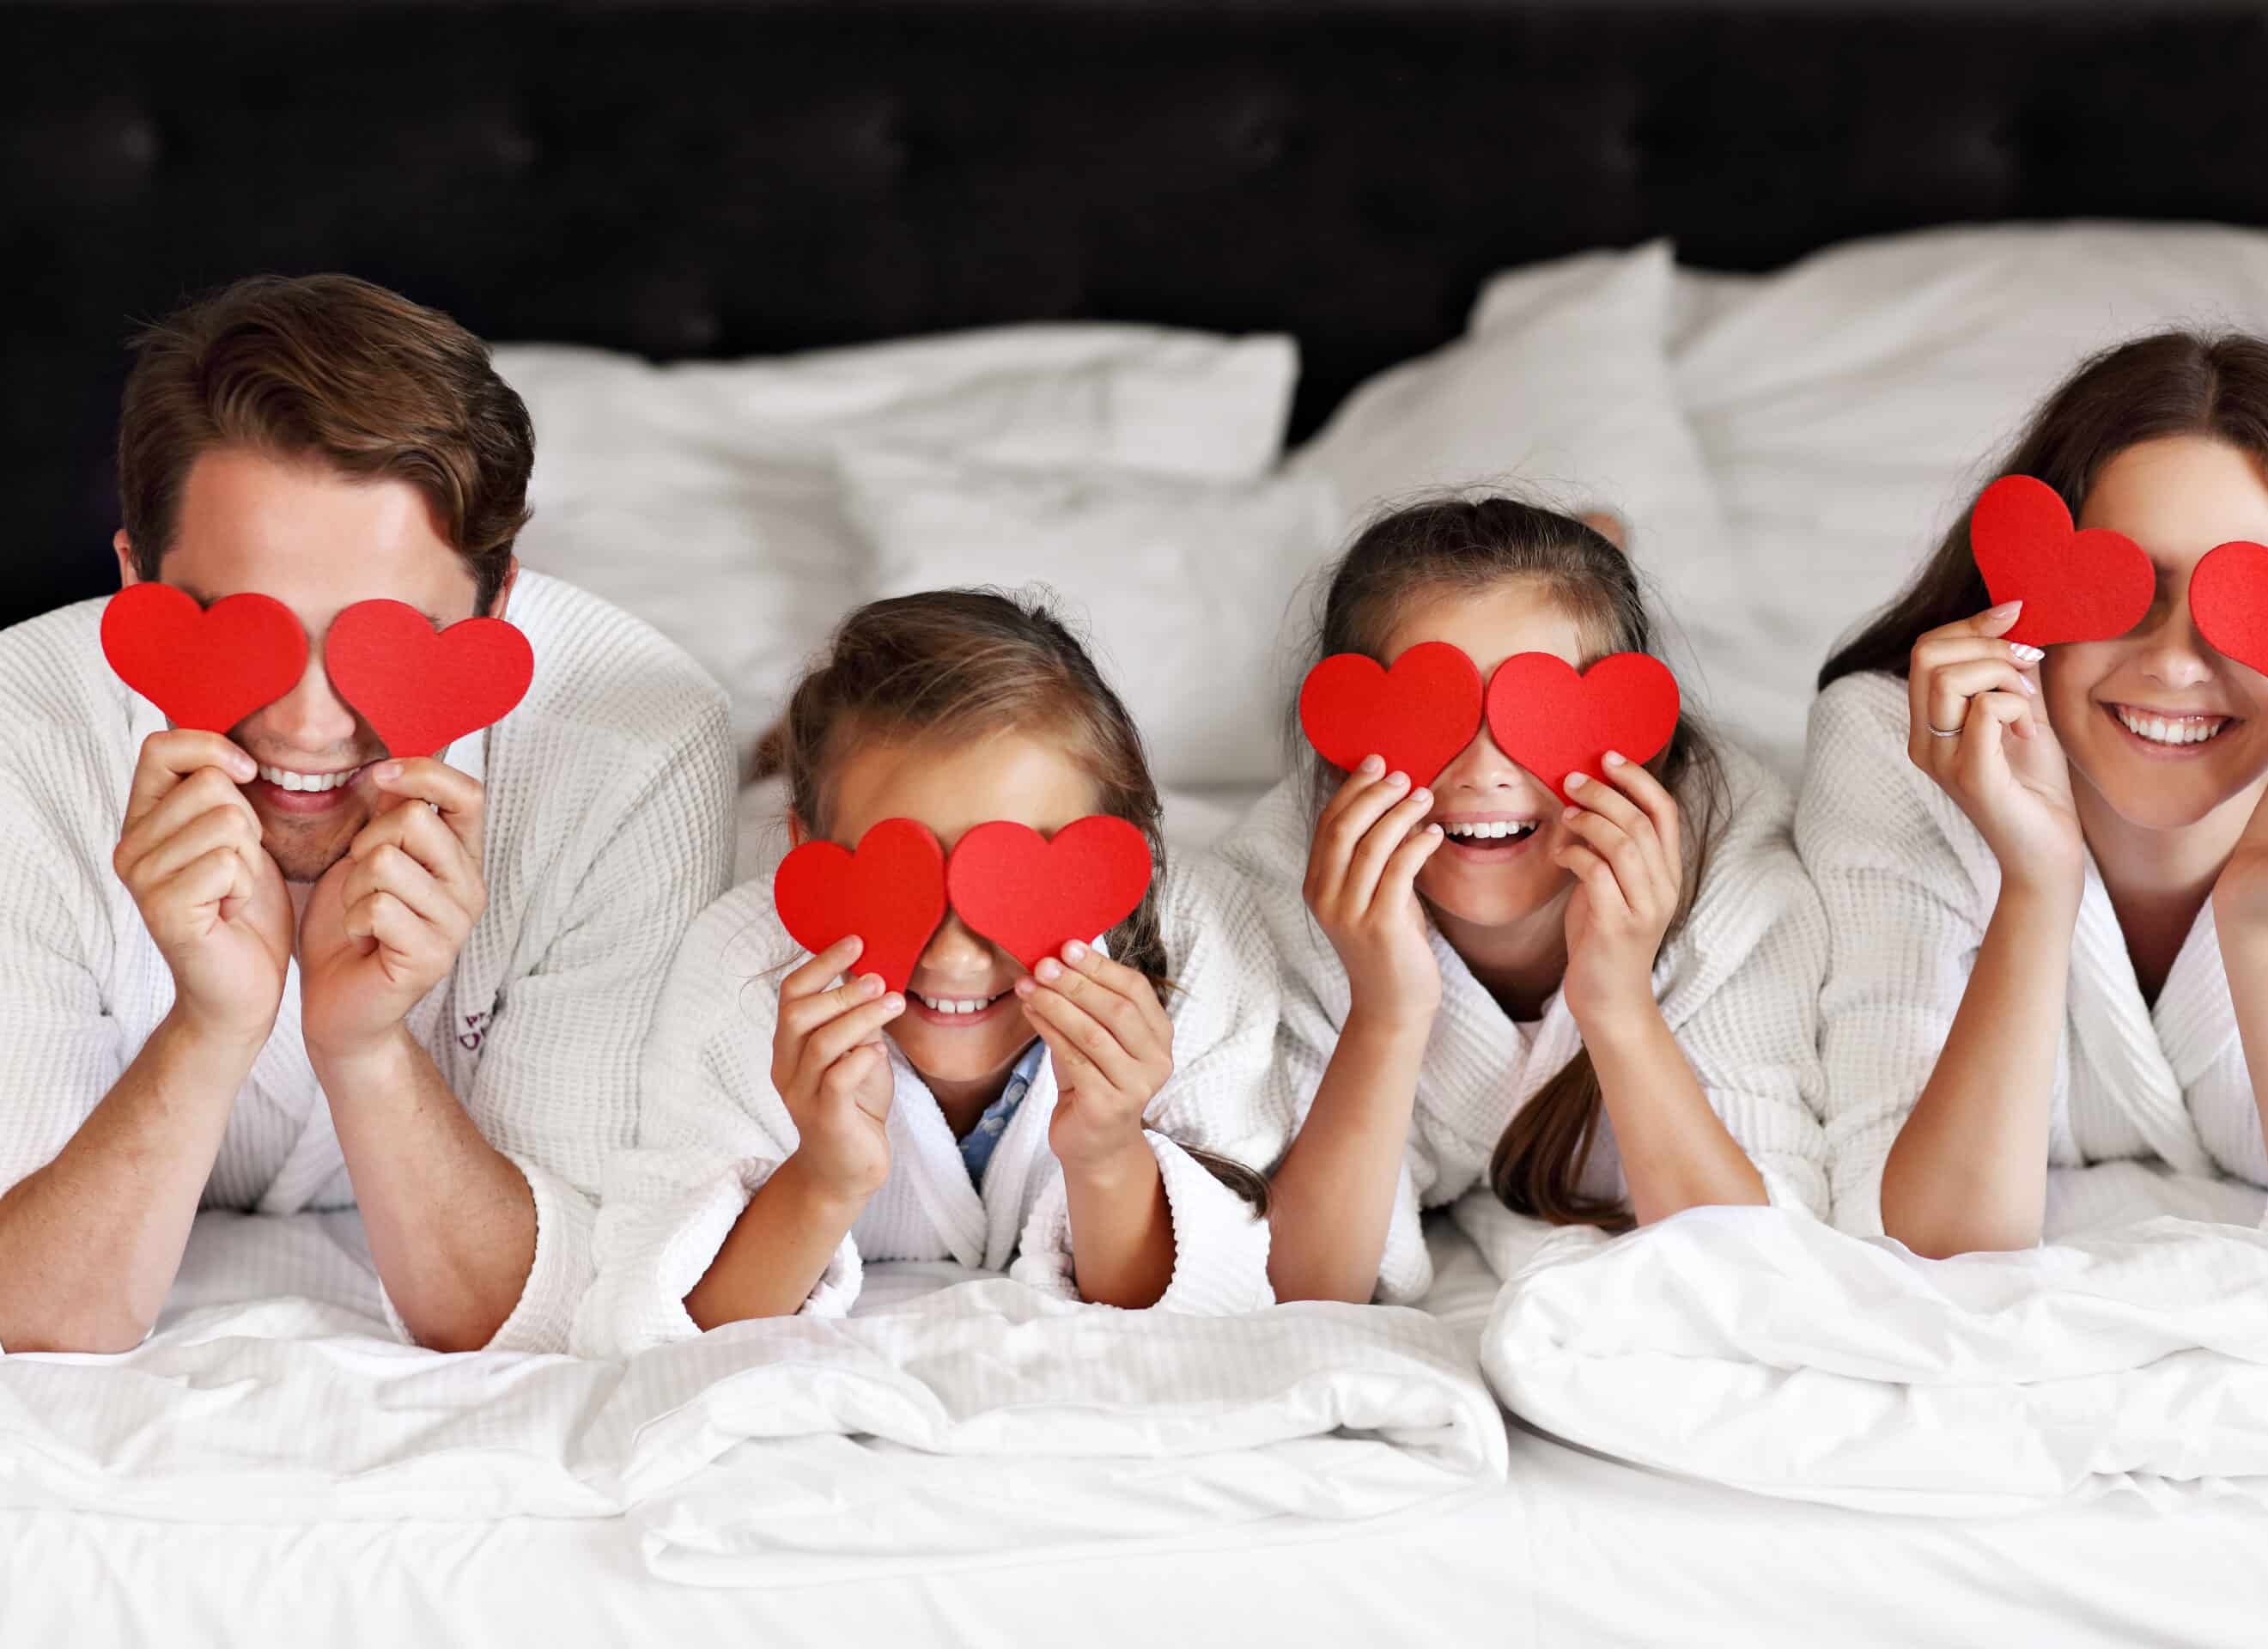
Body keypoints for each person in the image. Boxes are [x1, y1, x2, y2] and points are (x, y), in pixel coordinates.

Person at [0, 275, 733, 1353]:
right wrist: (208, 1029)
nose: (305, 728)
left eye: (380, 639)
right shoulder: (22, 735)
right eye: (241, 626)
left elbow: (547, 1313)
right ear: (132, 582)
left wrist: (368, 1047)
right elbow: (35, 1316)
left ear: (497, 604)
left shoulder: (638, 753)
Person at [1800, 332, 2268, 1294]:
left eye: (2245, 609)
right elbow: (1925, 1249)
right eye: (2119, 593)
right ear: (2025, 595)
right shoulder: (1897, 751)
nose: (2172, 663)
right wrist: (2036, 883)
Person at [576, 589, 1274, 1353]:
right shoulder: (738, 968)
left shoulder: (1201, 950)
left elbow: (1230, 1305)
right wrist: (824, 1175)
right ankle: (768, 766)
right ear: (808, 849)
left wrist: (1107, 1150)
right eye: (897, 885)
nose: (951, 955)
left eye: (1010, 886)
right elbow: (641, 1330)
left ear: (1102, 869)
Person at [1215, 496, 1828, 1305]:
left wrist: (1617, 1001)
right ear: (1341, 750)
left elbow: (1754, 1270)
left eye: (1536, 715)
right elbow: (1307, 1286)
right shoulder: (1272, 893)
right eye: (1430, 718)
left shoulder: (1736, 880)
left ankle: (1602, 549)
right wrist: (1385, 1012)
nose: (1481, 771)